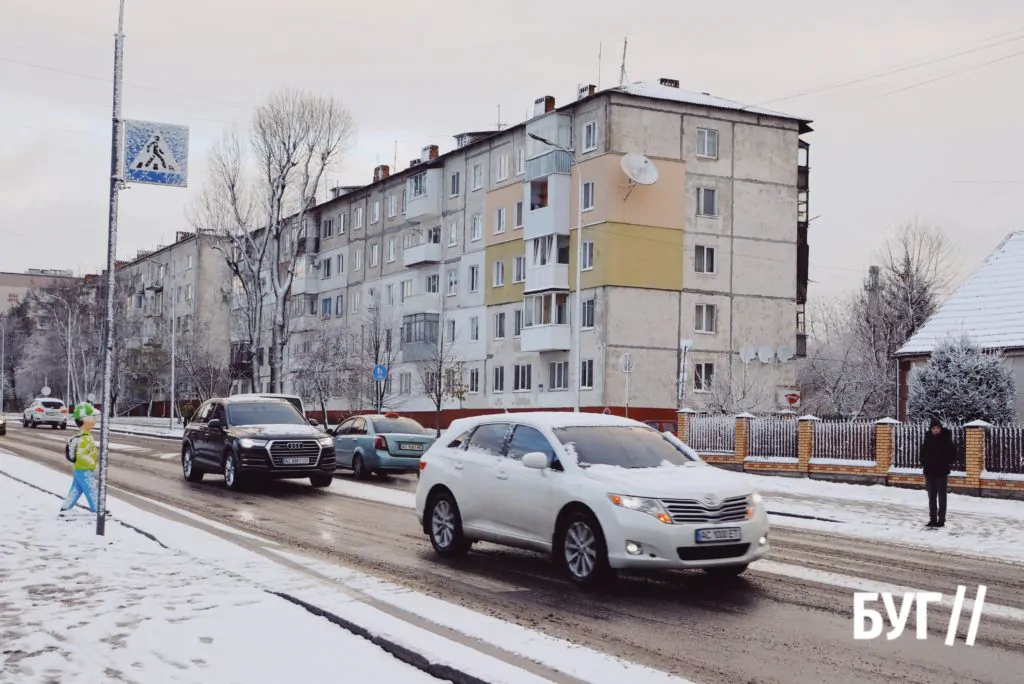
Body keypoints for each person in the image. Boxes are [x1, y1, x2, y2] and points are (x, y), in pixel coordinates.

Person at [60, 402, 99, 516]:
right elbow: (81, 455)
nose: (95, 419)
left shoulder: (86, 436)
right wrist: (92, 465)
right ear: (85, 420)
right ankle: (98, 511)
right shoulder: (85, 438)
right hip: (84, 469)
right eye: (93, 417)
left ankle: (66, 507)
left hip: (80, 469)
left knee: (76, 490)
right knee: (91, 490)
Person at [919, 417, 956, 528]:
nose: (935, 430)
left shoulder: (946, 439)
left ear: (940, 429)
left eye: (937, 428)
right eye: (933, 428)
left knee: (941, 497)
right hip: (929, 471)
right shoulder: (928, 438)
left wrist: (945, 462)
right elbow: (923, 452)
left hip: (941, 472)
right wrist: (924, 462)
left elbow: (953, 454)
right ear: (931, 429)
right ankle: (932, 519)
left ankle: (941, 519)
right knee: (931, 497)